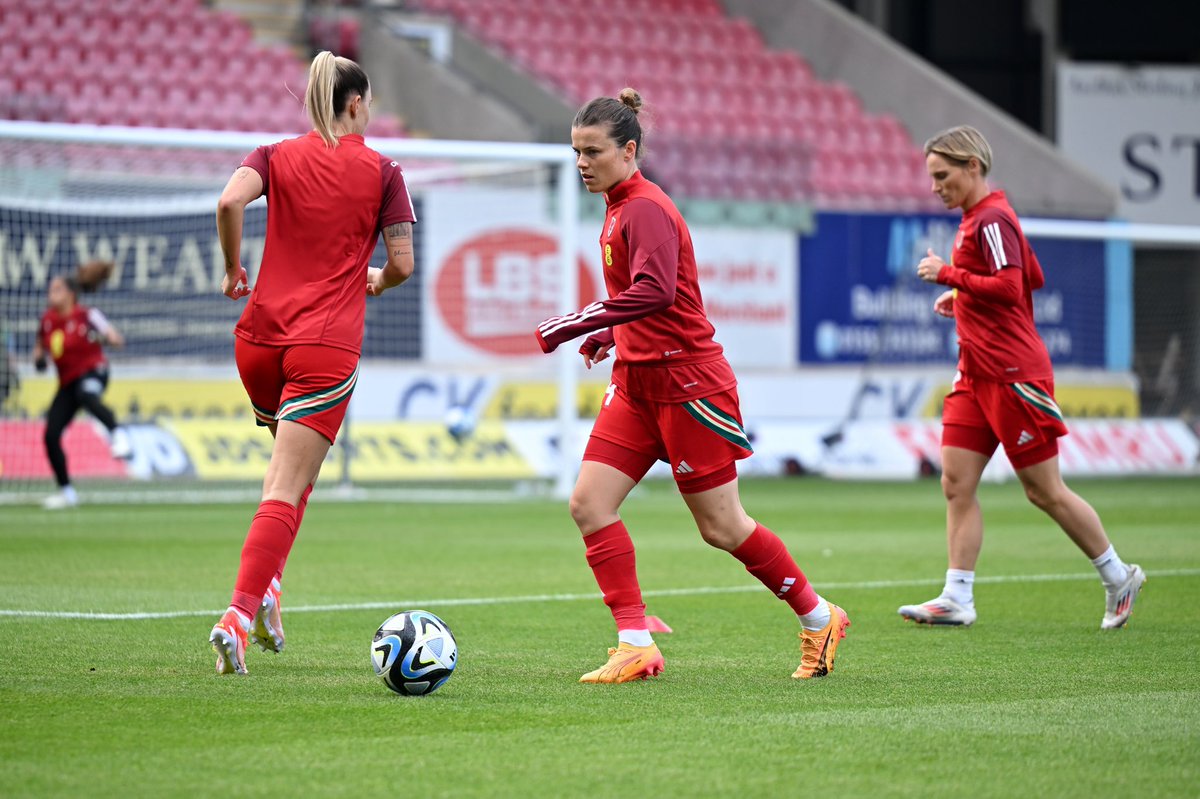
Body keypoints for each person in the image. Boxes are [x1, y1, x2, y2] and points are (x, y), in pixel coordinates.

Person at [535, 89, 849, 684]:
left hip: (688, 385)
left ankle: (818, 616)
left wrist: (578, 323)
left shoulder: (646, 207)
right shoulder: (616, 203)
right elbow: (646, 298)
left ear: (629, 150)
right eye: (576, 151)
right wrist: (614, 338)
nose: (581, 163)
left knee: (722, 527)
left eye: (593, 151)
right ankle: (634, 642)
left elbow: (655, 291)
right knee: (589, 504)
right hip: (637, 383)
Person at [208, 51, 416, 675]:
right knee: (285, 485)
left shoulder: (272, 154)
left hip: (259, 341)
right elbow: (403, 264)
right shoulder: (383, 171)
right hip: (324, 344)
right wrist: (374, 282)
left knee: (294, 479)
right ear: (356, 103)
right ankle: (238, 615)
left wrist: (232, 268)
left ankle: (269, 589)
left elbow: (227, 203)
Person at [900, 124, 1144, 629]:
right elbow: (1032, 275)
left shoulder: (992, 219)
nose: (934, 186)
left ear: (973, 166)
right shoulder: (978, 219)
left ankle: (1118, 575)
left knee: (1043, 490)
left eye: (943, 175)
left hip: (1013, 374)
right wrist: (965, 297)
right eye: (932, 177)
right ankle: (957, 596)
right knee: (955, 482)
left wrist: (950, 277)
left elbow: (1012, 288)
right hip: (975, 373)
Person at [33, 272, 133, 510]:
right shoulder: (47, 320)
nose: (51, 294)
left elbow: (116, 340)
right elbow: (39, 351)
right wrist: (39, 361)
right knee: (50, 435)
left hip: (94, 371)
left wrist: (102, 338)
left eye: (57, 289)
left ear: (70, 294)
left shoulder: (88, 315)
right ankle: (67, 492)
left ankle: (119, 435)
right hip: (67, 383)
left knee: (86, 394)